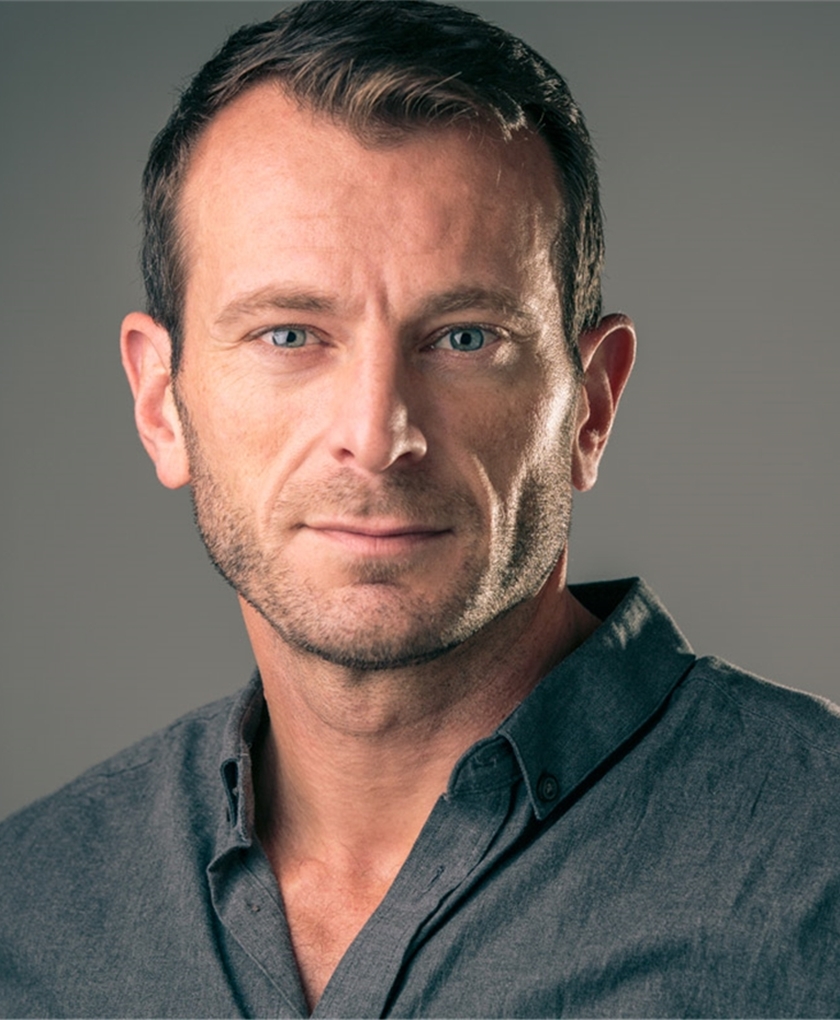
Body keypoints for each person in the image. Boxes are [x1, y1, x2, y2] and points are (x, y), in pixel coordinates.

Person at [1, 1, 838, 1015]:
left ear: (591, 405)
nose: (376, 434)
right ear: (160, 403)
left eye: (465, 338)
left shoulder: (817, 869)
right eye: (289, 335)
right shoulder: (30, 915)